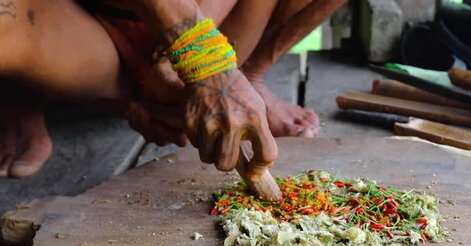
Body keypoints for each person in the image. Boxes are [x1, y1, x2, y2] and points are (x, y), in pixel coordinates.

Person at [0, 0, 346, 178]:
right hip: (73, 23)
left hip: (219, 18)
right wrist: (200, 57)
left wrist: (185, 60)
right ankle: (20, 86)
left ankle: (248, 73)